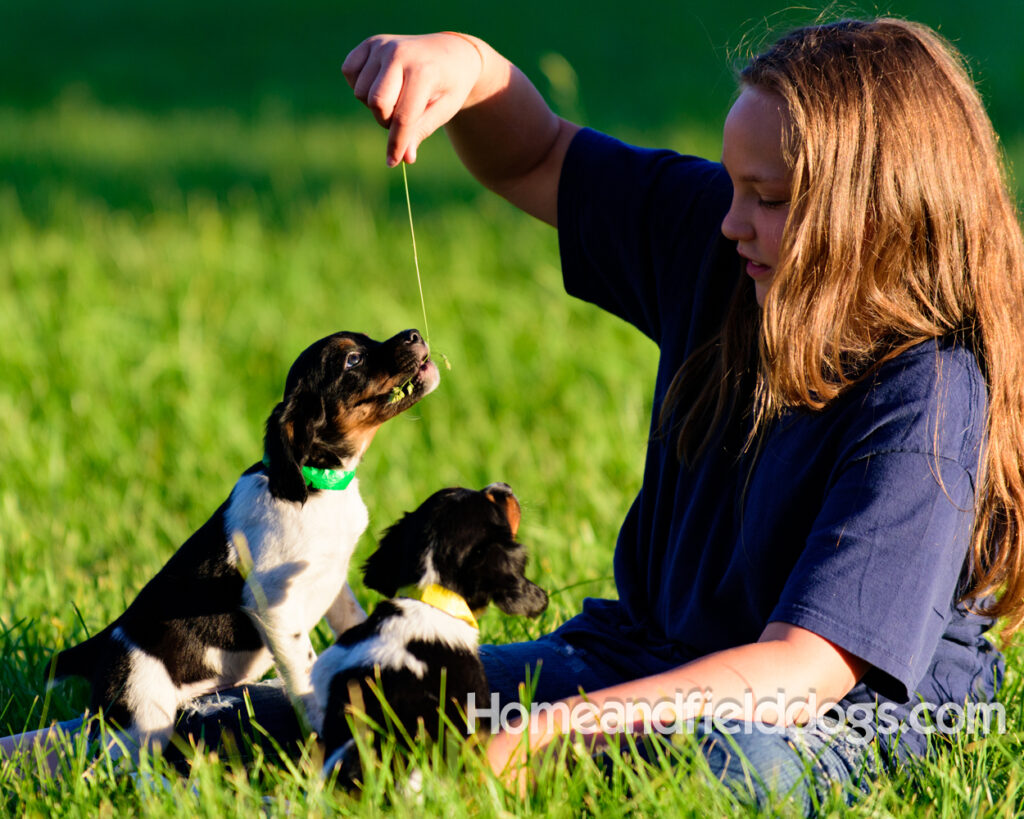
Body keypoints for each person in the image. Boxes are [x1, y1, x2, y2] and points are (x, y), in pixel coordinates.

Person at [5, 17, 1024, 816]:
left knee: (722, 765)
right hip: (638, 662)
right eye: (731, 186)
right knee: (369, 705)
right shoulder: (722, 251)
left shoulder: (924, 397)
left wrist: (548, 736)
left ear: (869, 222)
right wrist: (477, 71)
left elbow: (802, 669)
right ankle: (81, 754)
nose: (726, 219)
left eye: (764, 197)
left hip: (823, 720)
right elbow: (534, 157)